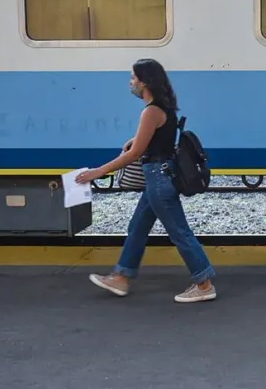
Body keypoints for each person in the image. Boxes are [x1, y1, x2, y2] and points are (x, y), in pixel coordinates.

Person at [76, 58, 217, 303]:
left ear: (144, 81)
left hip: (159, 180)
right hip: (159, 178)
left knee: (179, 232)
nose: (130, 82)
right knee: (138, 227)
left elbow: (134, 154)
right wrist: (136, 140)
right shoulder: (164, 108)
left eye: (133, 78)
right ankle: (121, 277)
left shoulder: (151, 111)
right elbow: (157, 139)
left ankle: (204, 283)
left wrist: (97, 172)